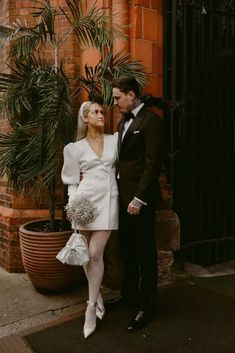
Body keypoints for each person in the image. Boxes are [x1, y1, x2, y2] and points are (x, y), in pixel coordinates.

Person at [61, 101, 119, 339]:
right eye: (95, 112)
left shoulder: (115, 140)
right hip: (84, 203)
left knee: (95, 253)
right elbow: (72, 181)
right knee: (86, 254)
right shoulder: (74, 148)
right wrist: (72, 205)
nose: (100, 114)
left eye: (101, 111)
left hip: (108, 201)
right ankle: (97, 295)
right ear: (84, 118)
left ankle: (90, 307)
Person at [112, 76, 165, 332]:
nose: (115, 102)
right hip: (122, 198)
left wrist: (139, 198)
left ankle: (147, 305)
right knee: (128, 249)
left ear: (131, 95)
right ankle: (129, 294)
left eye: (117, 97)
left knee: (145, 253)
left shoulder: (152, 121)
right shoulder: (123, 121)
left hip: (139, 200)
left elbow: (153, 163)